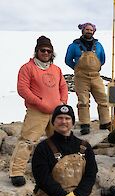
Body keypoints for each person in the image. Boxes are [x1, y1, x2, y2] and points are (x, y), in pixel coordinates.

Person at [32, 104, 104, 196]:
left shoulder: (85, 147)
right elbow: (42, 178)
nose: (63, 121)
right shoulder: (42, 148)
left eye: (67, 118)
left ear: (72, 122)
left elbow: (91, 175)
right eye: (59, 118)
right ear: (53, 121)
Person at [9, 36, 68, 187]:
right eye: (43, 50)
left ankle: (60, 168)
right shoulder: (27, 68)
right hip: (37, 111)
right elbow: (23, 89)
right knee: (27, 140)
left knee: (59, 141)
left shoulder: (56, 69)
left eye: (49, 50)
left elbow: (63, 86)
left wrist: (63, 103)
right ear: (37, 51)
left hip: (56, 113)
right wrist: (39, 103)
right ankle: (16, 172)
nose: (46, 53)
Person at [65, 22, 110, 135]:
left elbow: (102, 59)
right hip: (81, 77)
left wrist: (96, 66)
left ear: (93, 32)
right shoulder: (74, 45)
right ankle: (85, 125)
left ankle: (105, 123)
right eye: (87, 29)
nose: (89, 31)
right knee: (83, 101)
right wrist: (77, 69)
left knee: (103, 99)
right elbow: (68, 60)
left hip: (96, 76)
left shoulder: (98, 45)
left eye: (91, 30)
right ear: (83, 30)